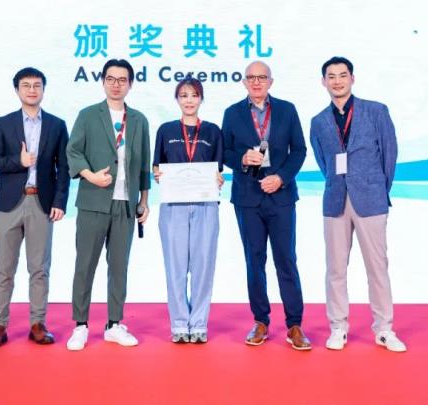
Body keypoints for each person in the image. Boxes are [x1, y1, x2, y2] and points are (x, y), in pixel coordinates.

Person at [309, 56, 407, 352]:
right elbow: (324, 162)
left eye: (342, 75)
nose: (337, 81)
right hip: (335, 200)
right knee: (335, 269)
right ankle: (338, 327)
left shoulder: (376, 111)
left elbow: (389, 155)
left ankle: (384, 329)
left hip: (371, 198)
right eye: (331, 76)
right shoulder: (318, 122)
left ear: (352, 78)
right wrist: (340, 182)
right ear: (323, 82)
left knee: (377, 267)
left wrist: (376, 187)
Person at [221, 60, 311, 350]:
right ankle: (260, 321)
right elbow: (224, 152)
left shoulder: (287, 110)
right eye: (251, 77)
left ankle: (294, 324)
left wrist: (281, 178)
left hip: (281, 196)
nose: (256, 82)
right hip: (247, 198)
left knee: (286, 259)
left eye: (262, 77)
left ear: (271, 81)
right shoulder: (232, 113)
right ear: (244, 82)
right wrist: (241, 159)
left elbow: (299, 150)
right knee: (254, 260)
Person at [65, 58, 151, 350]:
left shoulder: (139, 120)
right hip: (93, 201)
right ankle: (80, 325)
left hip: (125, 205)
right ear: (103, 81)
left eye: (122, 79)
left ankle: (114, 324)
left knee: (119, 267)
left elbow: (144, 164)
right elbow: (73, 151)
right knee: (85, 265)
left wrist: (143, 201)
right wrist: (90, 175)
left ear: (130, 84)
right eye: (111, 79)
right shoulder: (88, 115)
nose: (116, 84)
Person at [0, 67, 69, 349]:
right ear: (17, 89)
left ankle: (38, 324)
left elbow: (63, 167)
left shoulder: (56, 125)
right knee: (3, 268)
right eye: (26, 85)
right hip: (8, 203)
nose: (32, 90)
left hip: (42, 203)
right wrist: (17, 162)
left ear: (43, 89)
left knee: (39, 268)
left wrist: (59, 202)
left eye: (37, 85)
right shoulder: (3, 123)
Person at [153, 78, 224, 344]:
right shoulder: (166, 130)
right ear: (177, 99)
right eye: (183, 95)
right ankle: (180, 324)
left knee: (204, 266)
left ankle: (200, 324)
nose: (189, 100)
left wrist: (218, 179)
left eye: (194, 95)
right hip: (173, 206)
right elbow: (157, 166)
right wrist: (158, 174)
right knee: (176, 267)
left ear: (201, 98)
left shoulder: (213, 131)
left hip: (206, 206)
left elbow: (218, 169)